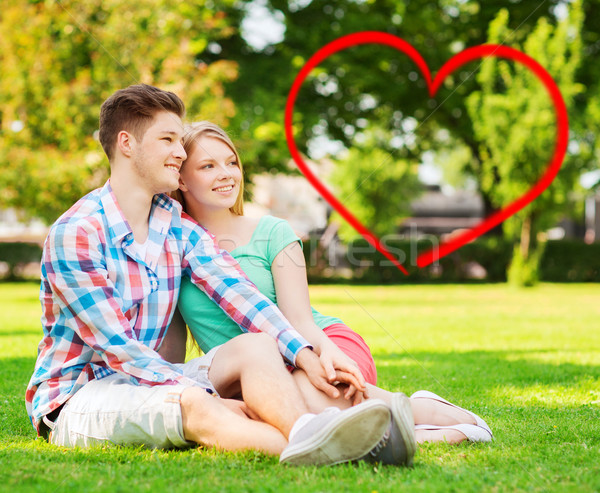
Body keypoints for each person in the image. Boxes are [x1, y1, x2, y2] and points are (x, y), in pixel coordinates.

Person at [24, 84, 411, 466]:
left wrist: (305, 355)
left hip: (152, 379)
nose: (181, 151)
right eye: (168, 139)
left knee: (256, 345)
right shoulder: (77, 233)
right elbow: (118, 349)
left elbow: (239, 294)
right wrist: (206, 393)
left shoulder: (174, 224)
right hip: (81, 395)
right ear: (127, 144)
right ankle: (340, 446)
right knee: (193, 403)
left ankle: (317, 434)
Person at [169, 121, 494, 447]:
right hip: (254, 374)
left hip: (321, 344)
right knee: (274, 405)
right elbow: (171, 346)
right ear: (180, 178)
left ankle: (429, 413)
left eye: (231, 162)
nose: (226, 173)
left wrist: (328, 357)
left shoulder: (272, 232)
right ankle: (392, 431)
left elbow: (300, 320)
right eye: (208, 166)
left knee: (310, 399)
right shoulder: (173, 250)